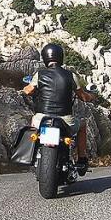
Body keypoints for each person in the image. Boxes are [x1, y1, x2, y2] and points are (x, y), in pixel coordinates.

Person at [21, 43, 93, 171]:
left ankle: (31, 154)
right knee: (82, 125)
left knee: (33, 123)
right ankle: (82, 158)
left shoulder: (40, 74)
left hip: (42, 119)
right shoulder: (71, 75)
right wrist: (91, 96)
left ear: (44, 58)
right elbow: (83, 96)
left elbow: (28, 90)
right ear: (61, 57)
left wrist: (26, 88)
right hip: (65, 120)